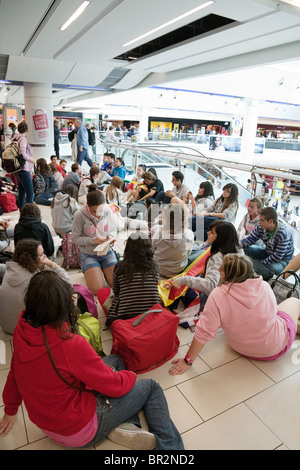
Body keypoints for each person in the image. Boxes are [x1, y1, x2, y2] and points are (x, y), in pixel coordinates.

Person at [0, 270, 184, 450]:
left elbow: (15, 374)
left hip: (48, 426)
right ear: (63, 305)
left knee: (115, 360)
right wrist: (129, 376)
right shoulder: (69, 344)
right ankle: (172, 449)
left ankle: (127, 426)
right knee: (151, 387)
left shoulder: (23, 330)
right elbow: (114, 385)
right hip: (79, 429)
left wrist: (10, 409)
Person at [169, 253, 300, 375]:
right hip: (277, 347)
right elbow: (273, 313)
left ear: (231, 275)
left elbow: (203, 331)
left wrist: (188, 361)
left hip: (241, 348)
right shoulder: (264, 286)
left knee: (279, 311)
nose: (218, 269)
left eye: (222, 268)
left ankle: (296, 326)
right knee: (294, 301)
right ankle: (295, 326)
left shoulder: (218, 295)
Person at [0, 239, 71, 334]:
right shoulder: (35, 280)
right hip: (26, 330)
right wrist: (53, 265)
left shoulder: (10, 269)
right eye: (41, 255)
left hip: (7, 326)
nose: (45, 256)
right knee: (69, 298)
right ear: (30, 258)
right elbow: (68, 286)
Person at [170, 221, 240, 309]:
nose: (208, 233)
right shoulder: (237, 252)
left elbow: (211, 285)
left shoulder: (217, 257)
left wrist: (183, 280)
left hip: (215, 302)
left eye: (212, 232)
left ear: (221, 238)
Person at [103, 234, 161, 327]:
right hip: (152, 312)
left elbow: (116, 292)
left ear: (127, 248)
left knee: (105, 294)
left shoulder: (119, 267)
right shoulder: (155, 266)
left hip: (125, 315)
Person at [72, 184, 117, 294]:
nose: (98, 215)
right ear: (87, 206)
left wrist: (111, 236)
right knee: (98, 290)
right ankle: (91, 270)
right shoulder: (79, 215)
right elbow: (75, 238)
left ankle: (100, 271)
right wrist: (92, 240)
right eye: (94, 212)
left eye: (101, 211)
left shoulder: (108, 210)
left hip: (106, 251)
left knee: (117, 285)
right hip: (89, 254)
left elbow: (113, 229)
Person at [241, 206, 294, 280]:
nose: (259, 223)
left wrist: (261, 262)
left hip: (282, 260)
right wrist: (236, 245)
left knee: (268, 269)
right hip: (267, 252)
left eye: (262, 220)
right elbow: (249, 240)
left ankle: (253, 267)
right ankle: (253, 265)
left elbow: (277, 257)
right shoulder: (261, 227)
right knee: (245, 249)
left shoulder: (283, 233)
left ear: (271, 221)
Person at [151, 204, 194, 278]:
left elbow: (152, 250)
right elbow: (188, 254)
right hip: (178, 269)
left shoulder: (159, 233)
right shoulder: (189, 234)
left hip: (159, 269)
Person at [13, 121, 35, 209]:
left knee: (22, 192)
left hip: (17, 168)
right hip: (23, 168)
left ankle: (22, 213)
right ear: (27, 130)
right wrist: (31, 159)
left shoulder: (15, 138)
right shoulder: (23, 139)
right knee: (30, 193)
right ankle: (30, 214)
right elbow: (22, 153)